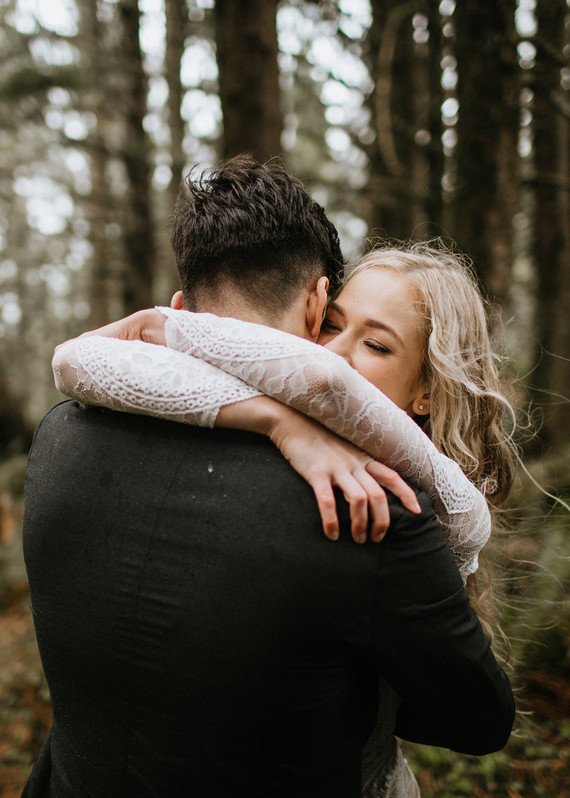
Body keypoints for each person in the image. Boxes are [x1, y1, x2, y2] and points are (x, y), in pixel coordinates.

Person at [23, 157, 515, 798]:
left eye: (376, 342)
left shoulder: (59, 436)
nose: (333, 357)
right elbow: (479, 721)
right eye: (336, 325)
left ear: (182, 313)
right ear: (316, 305)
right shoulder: (372, 508)